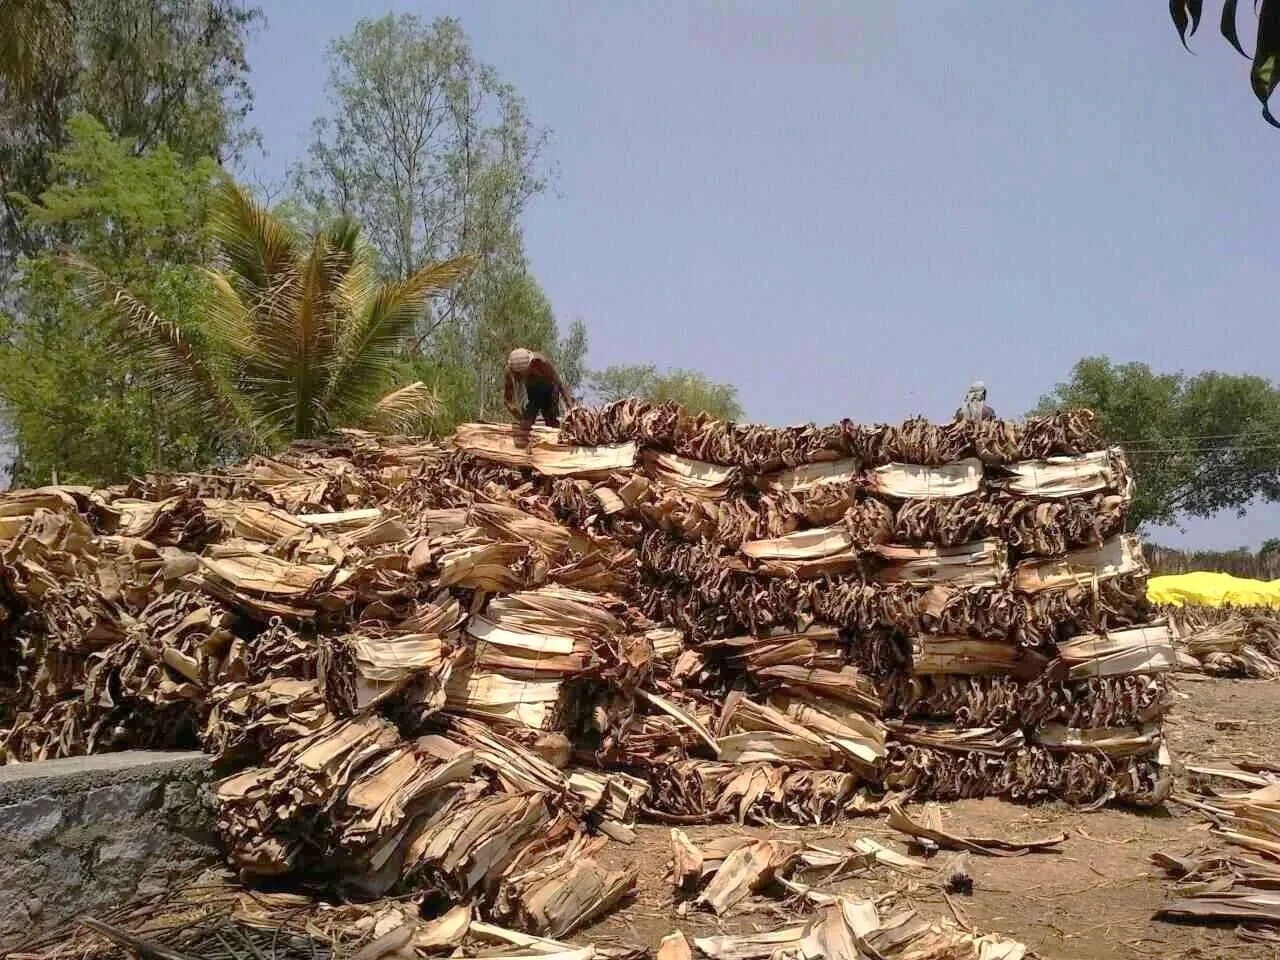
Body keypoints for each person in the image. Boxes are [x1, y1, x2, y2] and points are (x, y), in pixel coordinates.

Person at [504, 347, 574, 427]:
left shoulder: (542, 363)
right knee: (528, 415)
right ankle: (529, 419)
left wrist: (572, 408)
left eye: (525, 372)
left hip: (549, 388)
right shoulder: (510, 371)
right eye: (520, 374)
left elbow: (560, 385)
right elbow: (508, 401)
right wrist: (521, 418)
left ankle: (552, 421)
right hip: (531, 391)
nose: (523, 375)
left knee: (550, 416)